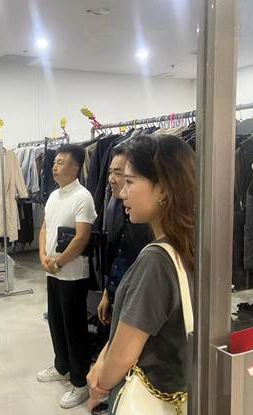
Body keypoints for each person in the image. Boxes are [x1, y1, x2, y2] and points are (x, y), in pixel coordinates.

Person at [86, 135, 195, 414]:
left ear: (163, 189)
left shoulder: (156, 261)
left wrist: (101, 380)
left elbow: (123, 356)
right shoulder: (191, 244)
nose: (122, 193)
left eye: (130, 182)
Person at [37, 144, 97, 409]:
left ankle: (80, 382)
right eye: (55, 162)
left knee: (74, 328)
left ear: (75, 167)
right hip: (53, 271)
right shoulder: (53, 196)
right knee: (56, 321)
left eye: (61, 162)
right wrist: (43, 256)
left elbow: (82, 237)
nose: (54, 166)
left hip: (72, 274)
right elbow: (45, 228)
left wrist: (59, 262)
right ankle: (61, 366)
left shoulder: (83, 197)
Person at [97, 145, 153, 327]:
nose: (111, 179)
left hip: (138, 308)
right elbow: (115, 254)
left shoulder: (150, 223)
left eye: (120, 174)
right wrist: (108, 292)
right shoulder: (114, 207)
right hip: (119, 296)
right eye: (110, 172)